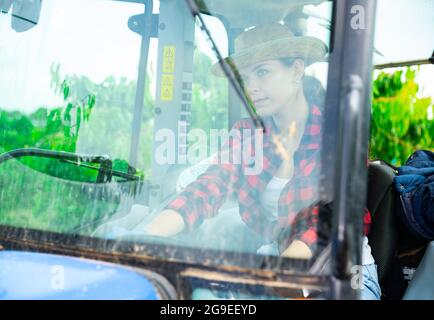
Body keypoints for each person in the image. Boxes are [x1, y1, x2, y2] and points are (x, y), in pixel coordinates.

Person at [144, 23, 380, 299]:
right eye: (246, 77)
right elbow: (210, 186)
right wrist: (141, 240)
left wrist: (278, 273)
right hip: (277, 263)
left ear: (295, 71)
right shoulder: (247, 134)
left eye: (262, 72)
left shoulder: (338, 134)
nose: (252, 88)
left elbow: (336, 215)